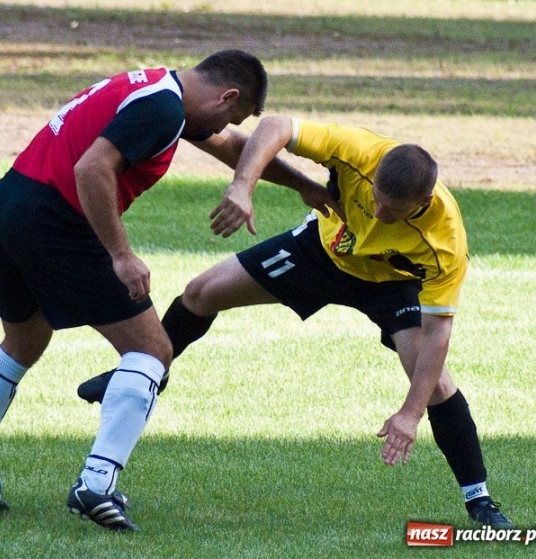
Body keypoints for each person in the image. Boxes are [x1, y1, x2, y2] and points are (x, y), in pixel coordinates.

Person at [77, 115, 513, 529]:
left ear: (424, 201)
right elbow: (276, 127)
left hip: (391, 286)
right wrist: (243, 185)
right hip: (322, 250)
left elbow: (439, 333)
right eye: (376, 199)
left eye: (392, 212)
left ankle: (479, 500)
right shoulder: (360, 151)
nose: (379, 214)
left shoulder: (445, 241)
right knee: (200, 293)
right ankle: (142, 375)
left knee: (433, 384)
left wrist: (409, 414)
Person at [0, 50, 287, 531]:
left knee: (23, 343)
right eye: (231, 114)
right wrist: (122, 256)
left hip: (10, 202)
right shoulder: (163, 109)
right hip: (55, 218)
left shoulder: (159, 92)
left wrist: (307, 188)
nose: (223, 125)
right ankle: (96, 485)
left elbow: (232, 147)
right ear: (226, 95)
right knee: (152, 349)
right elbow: (91, 170)